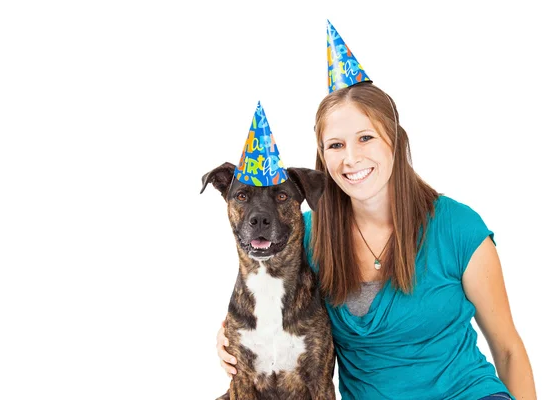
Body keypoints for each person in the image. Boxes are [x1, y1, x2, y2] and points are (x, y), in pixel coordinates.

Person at [216, 22, 536, 399]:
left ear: (395, 139)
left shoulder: (457, 227)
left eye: (365, 137)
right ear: (322, 156)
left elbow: (509, 351)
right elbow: (263, 293)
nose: (351, 159)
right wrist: (228, 336)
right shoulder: (307, 235)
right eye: (335, 145)